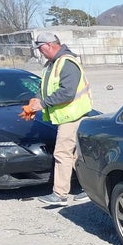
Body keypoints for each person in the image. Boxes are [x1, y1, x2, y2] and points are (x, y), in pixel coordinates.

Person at [27, 31, 93, 206]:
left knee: (62, 153)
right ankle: (89, 188)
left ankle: (60, 194)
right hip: (66, 116)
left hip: (73, 115)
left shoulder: (67, 63)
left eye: (40, 48)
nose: (39, 52)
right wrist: (36, 99)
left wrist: (43, 104)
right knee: (73, 155)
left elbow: (67, 92)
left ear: (49, 45)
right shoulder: (52, 64)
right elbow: (44, 87)